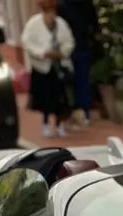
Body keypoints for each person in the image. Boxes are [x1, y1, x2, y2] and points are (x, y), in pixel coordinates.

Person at [22, 0, 75, 138]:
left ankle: (59, 125)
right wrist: (42, 53)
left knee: (60, 98)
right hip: (41, 68)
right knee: (45, 98)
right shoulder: (33, 24)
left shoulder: (61, 24)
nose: (51, 16)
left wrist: (62, 53)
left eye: (53, 13)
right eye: (48, 13)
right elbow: (27, 42)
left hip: (58, 67)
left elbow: (69, 42)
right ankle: (45, 124)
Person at [57, 0, 96, 125]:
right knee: (82, 81)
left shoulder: (62, 5)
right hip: (82, 46)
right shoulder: (87, 4)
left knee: (66, 80)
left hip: (67, 49)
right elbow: (94, 25)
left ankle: (69, 111)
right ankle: (83, 111)